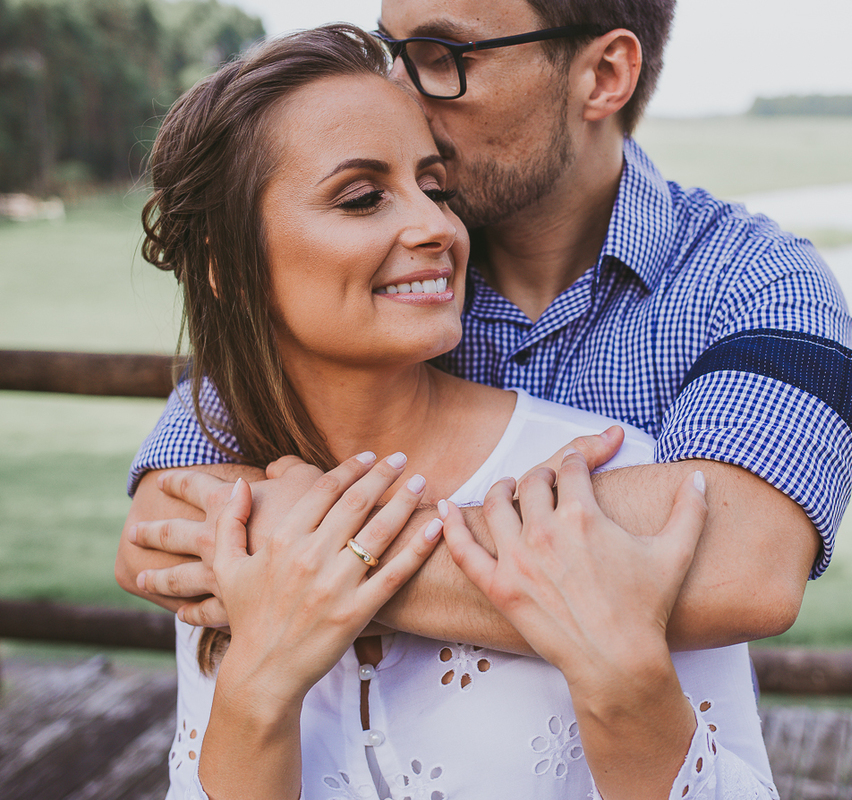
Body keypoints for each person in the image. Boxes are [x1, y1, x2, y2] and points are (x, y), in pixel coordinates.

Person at [118, 0, 852, 669]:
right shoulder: (388, 279)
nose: (399, 94)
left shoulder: (753, 276)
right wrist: (592, 564)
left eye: (440, 55)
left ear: (604, 76)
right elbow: (163, 533)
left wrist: (316, 572)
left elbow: (743, 564)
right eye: (393, 51)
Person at [147, 25, 776, 799]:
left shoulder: (609, 484)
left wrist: (625, 686)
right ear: (223, 264)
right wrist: (258, 692)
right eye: (362, 197)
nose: (439, 227)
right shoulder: (233, 517)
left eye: (436, 188)